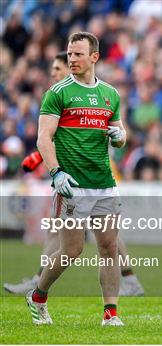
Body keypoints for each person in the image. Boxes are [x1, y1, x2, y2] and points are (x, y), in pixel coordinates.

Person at [5, 52, 144, 298]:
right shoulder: (58, 94)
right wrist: (45, 162)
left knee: (106, 240)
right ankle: (40, 285)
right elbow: (53, 138)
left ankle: (126, 283)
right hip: (68, 179)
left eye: (57, 69)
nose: (54, 74)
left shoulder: (98, 94)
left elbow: (114, 131)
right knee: (71, 241)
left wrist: (119, 136)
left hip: (96, 177)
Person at [26, 32, 127, 326]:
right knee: (71, 250)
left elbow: (120, 134)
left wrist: (120, 137)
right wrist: (56, 172)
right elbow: (44, 139)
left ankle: (111, 314)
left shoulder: (111, 94)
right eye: (70, 54)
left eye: (78, 54)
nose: (72, 59)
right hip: (72, 185)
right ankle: (38, 295)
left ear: (94, 57)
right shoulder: (58, 92)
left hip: (104, 183)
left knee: (109, 247)